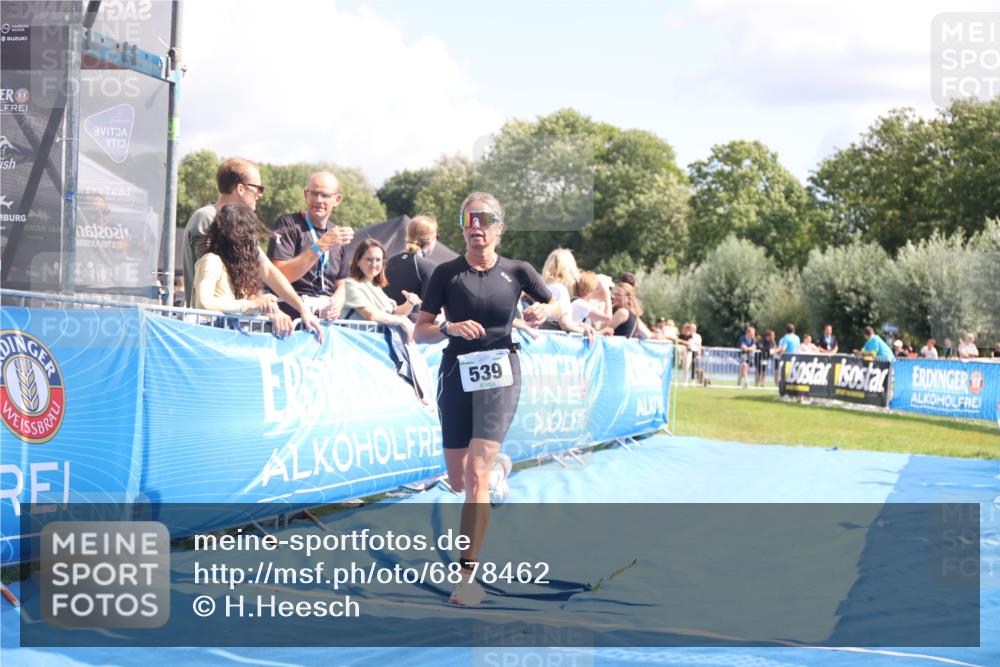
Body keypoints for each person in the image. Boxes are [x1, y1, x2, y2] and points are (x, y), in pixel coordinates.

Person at [414, 192, 557, 606]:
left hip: (501, 374)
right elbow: (419, 330)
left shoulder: (518, 271)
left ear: (499, 227)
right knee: (460, 481)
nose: (477, 225)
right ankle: (497, 474)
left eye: (485, 219)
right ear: (462, 226)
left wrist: (542, 313)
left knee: (475, 475)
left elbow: (554, 303)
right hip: (456, 374)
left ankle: (467, 577)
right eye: (469, 218)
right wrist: (448, 329)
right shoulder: (445, 273)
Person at [192, 204, 323, 341]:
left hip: (225, 341)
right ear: (237, 238)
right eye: (248, 239)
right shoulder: (212, 261)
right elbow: (204, 303)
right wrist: (253, 304)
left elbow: (240, 308)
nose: (253, 246)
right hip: (208, 340)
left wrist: (269, 311)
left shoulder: (237, 270)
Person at [268, 171, 355, 319]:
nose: (318, 200)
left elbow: (342, 283)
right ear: (305, 195)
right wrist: (320, 246)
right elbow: (278, 276)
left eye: (325, 195)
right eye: (313, 193)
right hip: (292, 317)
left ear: (337, 199)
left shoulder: (336, 233)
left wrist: (337, 303)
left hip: (325, 319)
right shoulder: (288, 224)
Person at [182, 157, 267, 306]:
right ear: (240, 189)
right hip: (205, 324)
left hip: (225, 323)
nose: (260, 194)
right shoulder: (207, 218)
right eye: (259, 188)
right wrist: (251, 304)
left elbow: (264, 271)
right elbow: (207, 298)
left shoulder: (236, 226)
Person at [341, 238, 421, 341]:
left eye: (378, 260)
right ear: (358, 262)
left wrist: (410, 302)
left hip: (377, 343)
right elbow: (371, 315)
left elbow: (395, 313)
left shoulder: (376, 287)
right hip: (356, 344)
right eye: (369, 259)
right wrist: (401, 321)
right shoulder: (350, 284)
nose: (374, 264)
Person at [384, 215, 438, 322]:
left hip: (386, 326)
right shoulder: (428, 267)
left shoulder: (391, 260)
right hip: (412, 331)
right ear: (430, 240)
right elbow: (431, 310)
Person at [540, 248, 596, 339]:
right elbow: (564, 323)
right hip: (556, 341)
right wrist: (584, 331)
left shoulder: (544, 287)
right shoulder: (560, 289)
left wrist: (580, 325)